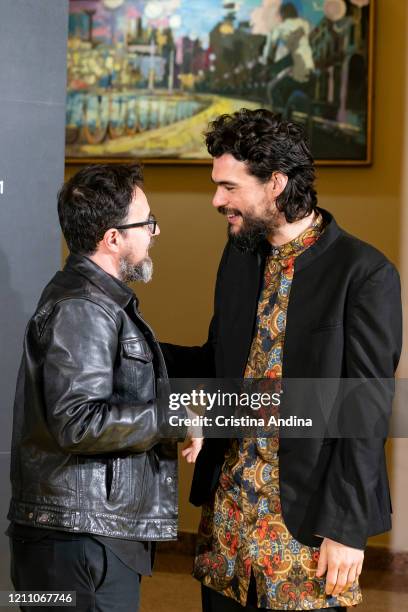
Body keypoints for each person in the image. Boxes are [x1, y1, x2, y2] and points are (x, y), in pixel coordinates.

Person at [161, 109, 402, 611]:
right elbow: (218, 362)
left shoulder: (364, 273)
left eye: (229, 187)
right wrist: (133, 345)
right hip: (226, 524)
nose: (217, 200)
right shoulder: (238, 257)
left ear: (275, 183)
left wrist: (347, 528)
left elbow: (366, 410)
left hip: (305, 532)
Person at [7, 164, 199, 611]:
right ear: (113, 238)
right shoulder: (83, 307)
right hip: (78, 541)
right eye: (147, 222)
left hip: (85, 533)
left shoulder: (94, 301)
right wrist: (174, 419)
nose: (154, 233)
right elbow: (79, 422)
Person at [260, 2, 315, 115]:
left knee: (274, 89)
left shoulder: (279, 29)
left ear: (283, 14)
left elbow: (270, 52)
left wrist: (268, 69)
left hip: (298, 75)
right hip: (311, 74)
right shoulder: (305, 24)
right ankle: (287, 115)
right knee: (286, 87)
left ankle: (279, 123)